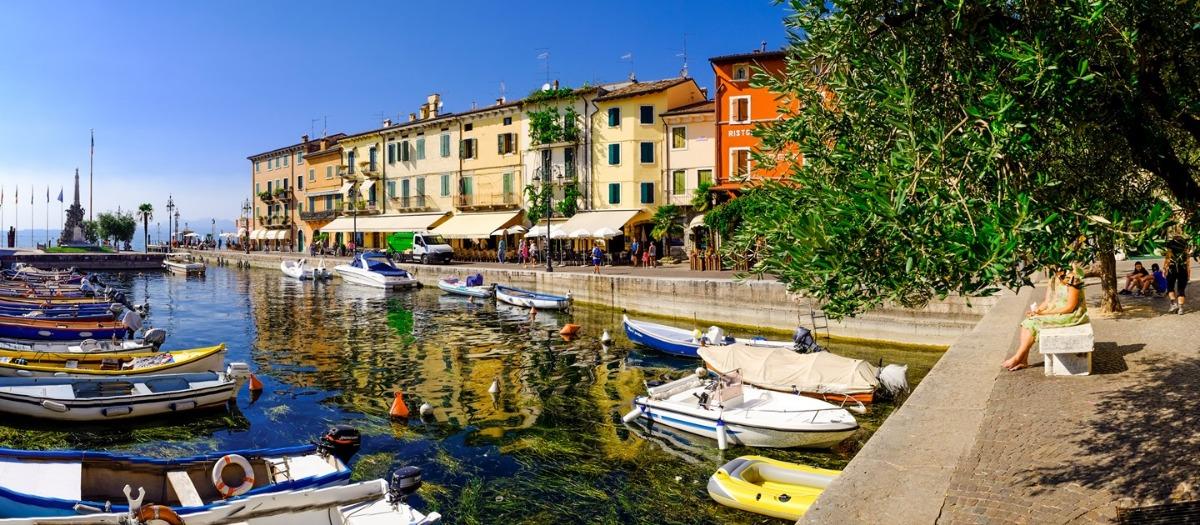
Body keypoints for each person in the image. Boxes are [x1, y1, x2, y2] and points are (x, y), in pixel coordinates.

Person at [1002, 267, 1088, 371]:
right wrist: (1037, 311)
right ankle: (1023, 359)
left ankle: (1018, 357)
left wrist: (1043, 313)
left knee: (1034, 322)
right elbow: (1047, 301)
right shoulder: (1054, 278)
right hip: (1055, 311)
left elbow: (1070, 307)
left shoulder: (1073, 278)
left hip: (1071, 315)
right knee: (1027, 322)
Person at [1164, 235, 1192, 315]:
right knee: (1181, 289)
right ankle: (1180, 309)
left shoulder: (1170, 249)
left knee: (1170, 287)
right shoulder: (1185, 250)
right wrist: (1188, 274)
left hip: (1172, 269)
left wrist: (1164, 268)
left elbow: (1167, 259)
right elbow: (1188, 263)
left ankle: (1173, 304)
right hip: (1183, 269)